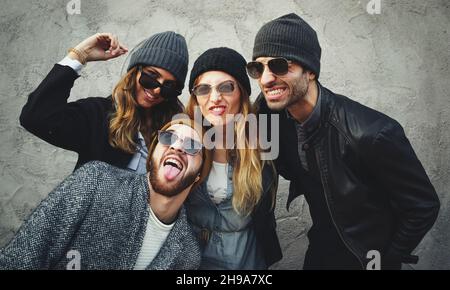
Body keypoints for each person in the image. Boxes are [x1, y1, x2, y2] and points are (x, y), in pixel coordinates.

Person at [249, 13, 440, 269]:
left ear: (310, 71)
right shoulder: (271, 116)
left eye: (280, 66)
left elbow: (423, 206)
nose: (266, 78)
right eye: (257, 68)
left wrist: (389, 256)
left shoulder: (371, 133)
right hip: (320, 252)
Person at [0, 119, 212, 270]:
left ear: (198, 175)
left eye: (192, 146)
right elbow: (21, 258)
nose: (176, 147)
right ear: (154, 154)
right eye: (168, 138)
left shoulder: (187, 254)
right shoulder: (95, 181)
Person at [20, 31, 188, 173]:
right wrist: (80, 54)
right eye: (151, 76)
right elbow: (36, 118)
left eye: (169, 86)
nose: (157, 90)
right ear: (134, 73)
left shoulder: (177, 131)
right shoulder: (98, 115)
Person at [185, 47, 282, 269]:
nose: (215, 98)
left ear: (242, 93)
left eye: (226, 87)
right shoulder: (182, 142)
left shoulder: (264, 144)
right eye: (203, 89)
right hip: (192, 263)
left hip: (245, 261)